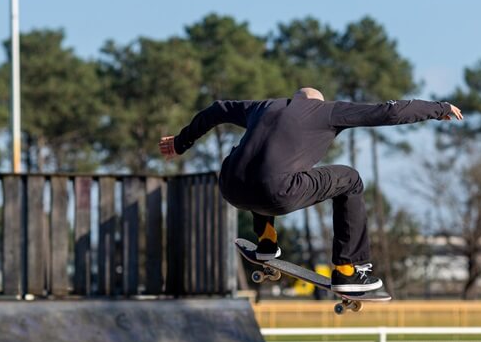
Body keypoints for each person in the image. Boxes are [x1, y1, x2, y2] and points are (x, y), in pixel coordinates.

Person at [159, 87, 463, 296]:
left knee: (256, 157)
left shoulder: (262, 107)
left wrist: (181, 142)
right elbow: (389, 112)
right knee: (351, 179)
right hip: (276, 192)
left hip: (231, 186)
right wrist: (438, 108)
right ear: (317, 102)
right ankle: (347, 269)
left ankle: (266, 240)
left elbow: (216, 109)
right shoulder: (327, 111)